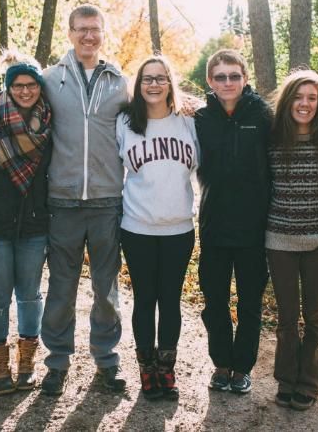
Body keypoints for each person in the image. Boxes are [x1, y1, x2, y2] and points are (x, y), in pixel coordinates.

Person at [40, 4, 129, 395]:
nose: (88, 36)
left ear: (103, 33)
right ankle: (57, 362)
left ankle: (106, 360)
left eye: (95, 29)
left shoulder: (121, 82)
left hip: (108, 201)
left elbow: (157, 108)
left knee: (106, 289)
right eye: (81, 29)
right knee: (61, 287)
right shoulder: (49, 80)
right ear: (70, 32)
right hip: (63, 201)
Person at [117, 56, 198, 400]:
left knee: (171, 299)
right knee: (144, 299)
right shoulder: (124, 121)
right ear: (138, 84)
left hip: (179, 228)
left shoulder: (190, 121)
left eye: (161, 78)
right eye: (147, 79)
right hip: (137, 227)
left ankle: (167, 368)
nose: (153, 84)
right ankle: (147, 369)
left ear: (170, 83)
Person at [195, 49, 272, 394]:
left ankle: (242, 367)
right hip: (213, 225)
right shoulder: (200, 118)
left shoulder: (263, 115)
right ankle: (221, 363)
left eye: (234, 76)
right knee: (214, 302)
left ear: (245, 77)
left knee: (250, 303)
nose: (228, 82)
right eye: (220, 77)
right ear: (210, 81)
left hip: (254, 227)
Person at [0, 50, 52, 395]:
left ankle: (27, 360)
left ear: (40, 87)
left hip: (35, 225)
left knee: (29, 296)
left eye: (31, 85)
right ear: (8, 88)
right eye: (18, 85)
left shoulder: (48, 123)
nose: (25, 91)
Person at [266, 70, 318, 410]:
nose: (304, 104)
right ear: (288, 100)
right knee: (287, 317)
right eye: (298, 97)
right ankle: (286, 379)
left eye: (312, 98)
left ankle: (310, 382)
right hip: (280, 240)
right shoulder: (273, 137)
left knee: (316, 316)